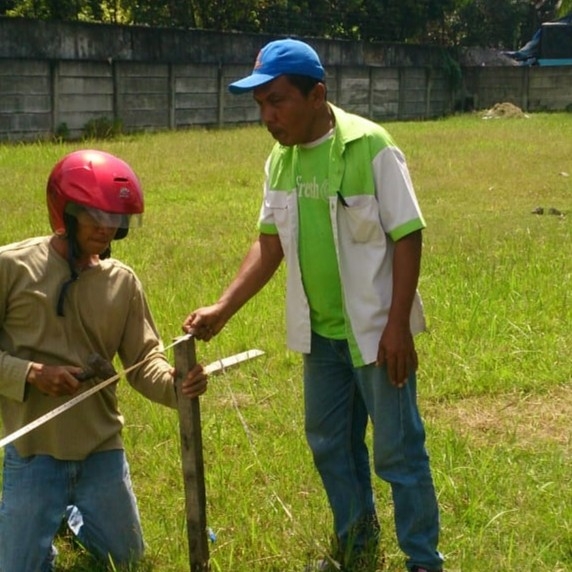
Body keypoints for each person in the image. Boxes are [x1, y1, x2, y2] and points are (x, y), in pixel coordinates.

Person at [183, 39, 444, 572]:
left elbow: (408, 234)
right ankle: (357, 544)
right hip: (320, 338)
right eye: (260, 105)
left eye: (277, 101)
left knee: (398, 452)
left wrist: (398, 325)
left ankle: (423, 559)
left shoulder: (371, 147)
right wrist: (223, 307)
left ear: (317, 94)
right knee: (329, 444)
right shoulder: (280, 162)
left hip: (375, 335)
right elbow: (269, 242)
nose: (267, 117)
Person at [0, 149, 208, 572]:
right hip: (34, 450)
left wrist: (176, 384)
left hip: (101, 451)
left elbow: (144, 360)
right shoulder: (12, 267)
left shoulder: (122, 283)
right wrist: (31, 374)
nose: (107, 227)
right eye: (95, 215)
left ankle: (67, 517)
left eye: (116, 217)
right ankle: (38, 516)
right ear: (67, 212)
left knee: (128, 560)